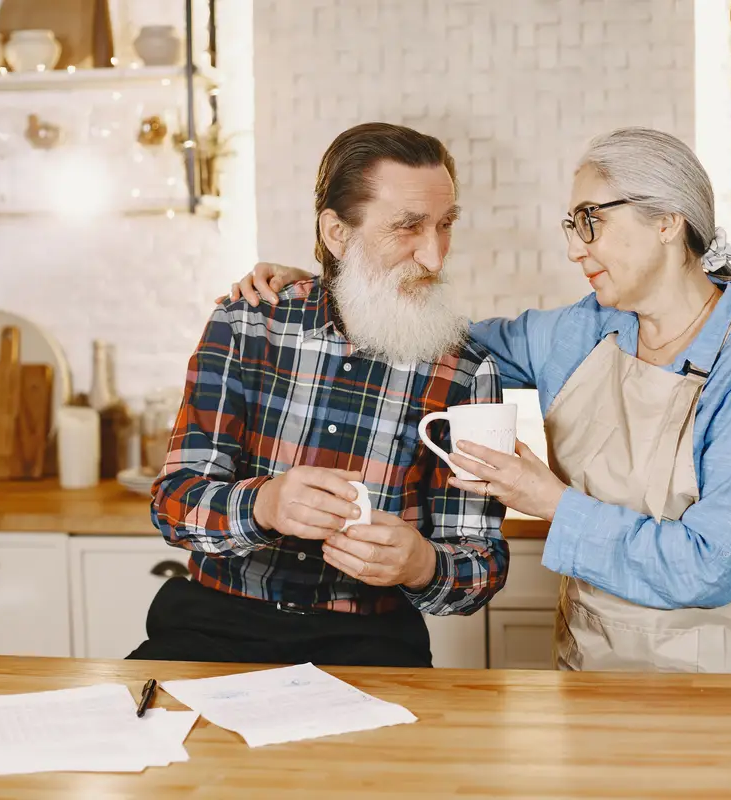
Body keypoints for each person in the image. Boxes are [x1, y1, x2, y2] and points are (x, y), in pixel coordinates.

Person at [229, 127, 731, 673]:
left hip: (716, 680)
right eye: (572, 223)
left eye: (591, 220)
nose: (574, 248)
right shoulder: (584, 331)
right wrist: (338, 285)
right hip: (588, 665)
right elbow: (436, 342)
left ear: (667, 221)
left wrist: (550, 501)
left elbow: (711, 566)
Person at [128, 122, 509, 668]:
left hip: (372, 644)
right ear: (336, 233)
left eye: (445, 225)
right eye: (408, 227)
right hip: (213, 627)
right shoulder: (245, 324)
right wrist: (266, 504)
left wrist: (423, 564)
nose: (434, 256)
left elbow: (482, 567)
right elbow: (173, 504)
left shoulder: (467, 371)